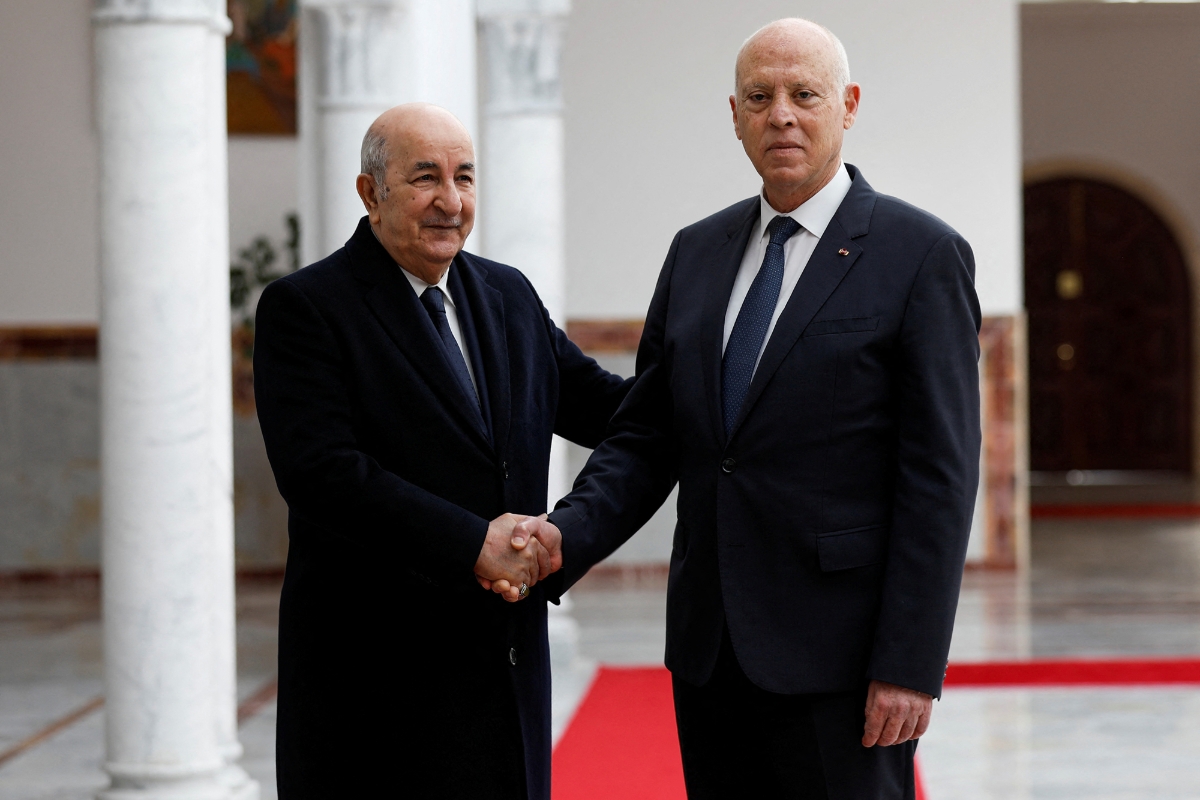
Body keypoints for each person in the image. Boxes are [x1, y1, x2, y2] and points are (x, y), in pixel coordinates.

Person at [505, 18, 981, 799]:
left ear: (849, 104)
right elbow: (649, 434)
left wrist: (909, 662)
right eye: (759, 97)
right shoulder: (696, 252)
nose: (781, 115)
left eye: (804, 95)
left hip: (844, 660)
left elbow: (940, 479)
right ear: (734, 115)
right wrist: (564, 538)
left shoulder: (919, 254)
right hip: (711, 650)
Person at [253, 103, 629, 799]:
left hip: (505, 664)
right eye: (425, 178)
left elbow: (607, 408)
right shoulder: (305, 308)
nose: (450, 202)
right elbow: (322, 473)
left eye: (465, 178)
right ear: (371, 193)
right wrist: (471, 544)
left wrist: (722, 401)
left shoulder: (507, 295)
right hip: (375, 679)